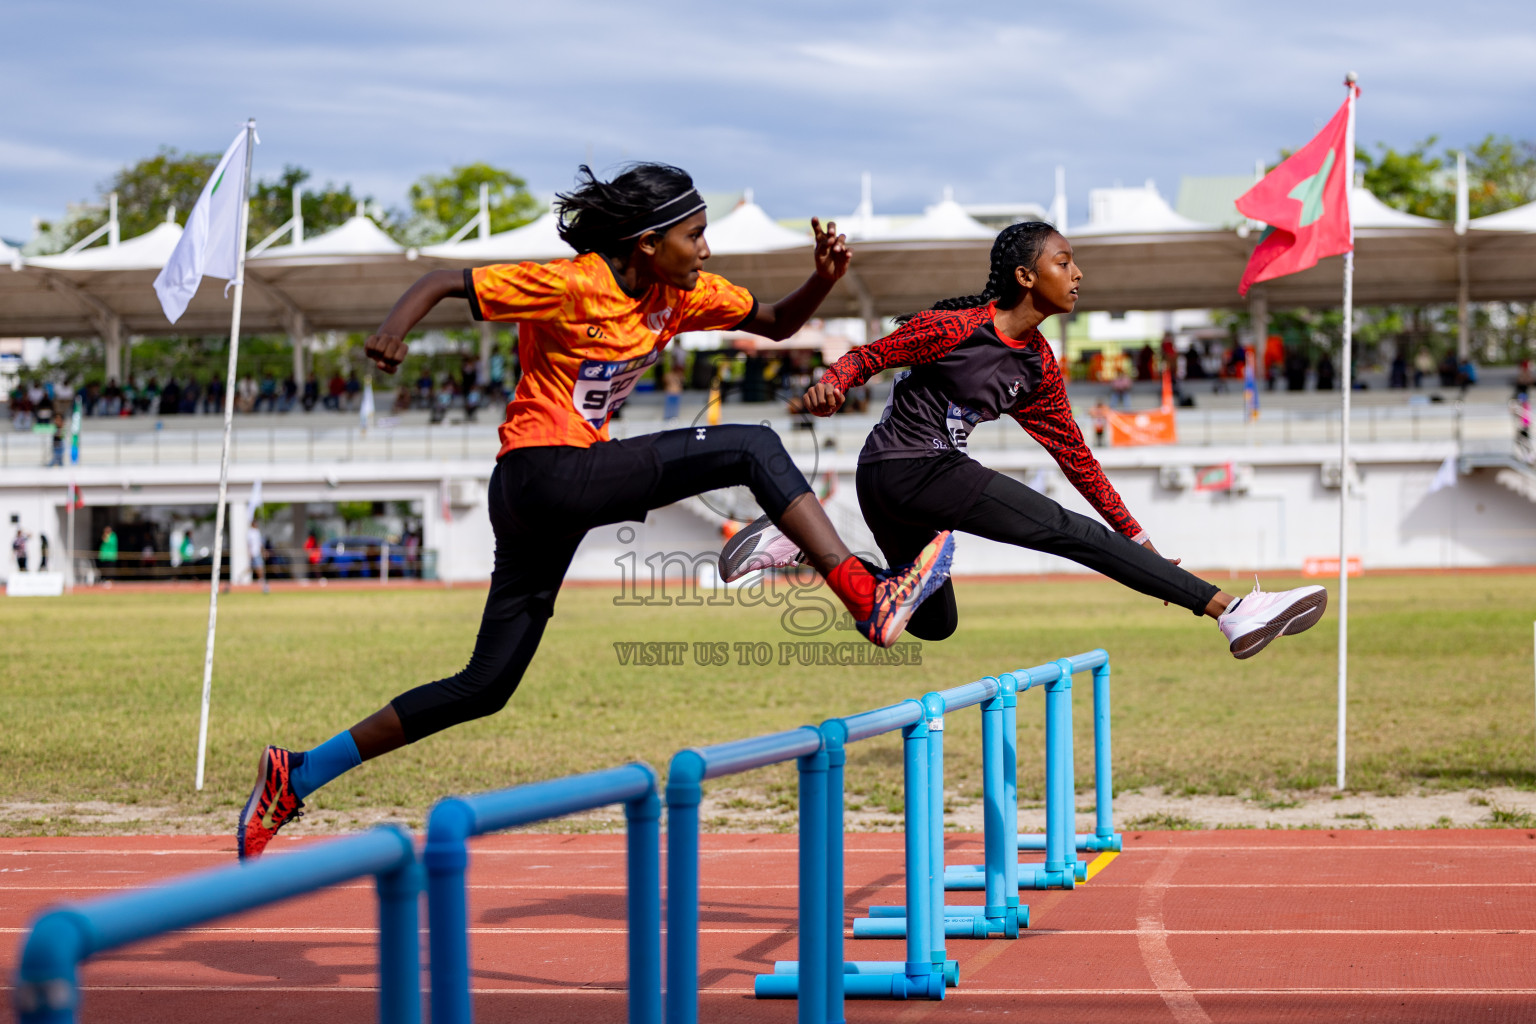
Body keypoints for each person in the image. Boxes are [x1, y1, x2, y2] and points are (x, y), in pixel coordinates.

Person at [237, 162, 956, 860]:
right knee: (751, 445)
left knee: (484, 686)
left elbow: (772, 324)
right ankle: (866, 595)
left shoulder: (682, 294)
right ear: (647, 243)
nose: (705, 250)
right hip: (540, 473)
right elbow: (437, 282)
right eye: (694, 236)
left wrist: (823, 281)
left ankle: (298, 773)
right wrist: (394, 331)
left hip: (551, 495)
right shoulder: (571, 282)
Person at [718, 221, 1327, 663]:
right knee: (1071, 534)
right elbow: (870, 354)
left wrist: (1138, 539)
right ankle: (1231, 611)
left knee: (934, 620)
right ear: (1025, 275)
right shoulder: (956, 327)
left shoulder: (1037, 366)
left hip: (896, 483)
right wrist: (832, 382)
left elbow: (1076, 459)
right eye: (1065, 262)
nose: (1078, 273)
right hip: (908, 468)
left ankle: (805, 543)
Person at [247, 521, 269, 594]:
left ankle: (238, 578)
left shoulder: (257, 532)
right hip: (254, 553)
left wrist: (263, 552)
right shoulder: (250, 533)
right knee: (258, 567)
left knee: (255, 568)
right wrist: (250, 553)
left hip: (257, 553)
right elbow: (249, 544)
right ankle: (262, 580)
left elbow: (259, 544)